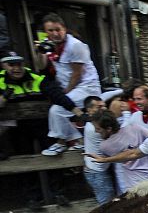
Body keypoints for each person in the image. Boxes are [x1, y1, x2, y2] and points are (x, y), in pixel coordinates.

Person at [36, 14, 102, 155]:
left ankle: (61, 143)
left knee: (57, 109)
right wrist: (41, 53)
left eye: (57, 29)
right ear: (45, 32)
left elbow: (77, 74)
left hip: (86, 87)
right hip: (71, 88)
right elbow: (41, 67)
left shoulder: (75, 45)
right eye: (50, 30)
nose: (55, 33)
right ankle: (77, 140)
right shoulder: (49, 45)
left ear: (64, 29)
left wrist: (64, 94)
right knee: (58, 108)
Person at [0, 51, 82, 157]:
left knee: (52, 153)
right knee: (23, 155)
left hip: (42, 124)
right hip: (18, 127)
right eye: (11, 65)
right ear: (3, 66)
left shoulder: (36, 78)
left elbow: (57, 95)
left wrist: (76, 111)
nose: (16, 68)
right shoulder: (1, 80)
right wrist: (5, 96)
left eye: (19, 64)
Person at [95, 110, 148, 193]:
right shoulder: (134, 127)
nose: (96, 131)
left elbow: (102, 165)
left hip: (132, 184)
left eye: (98, 129)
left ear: (108, 129)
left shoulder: (104, 146)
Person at [82, 98, 114, 204]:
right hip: (97, 171)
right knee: (106, 204)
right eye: (99, 107)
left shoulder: (91, 123)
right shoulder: (95, 129)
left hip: (95, 169)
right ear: (89, 110)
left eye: (103, 106)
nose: (103, 108)